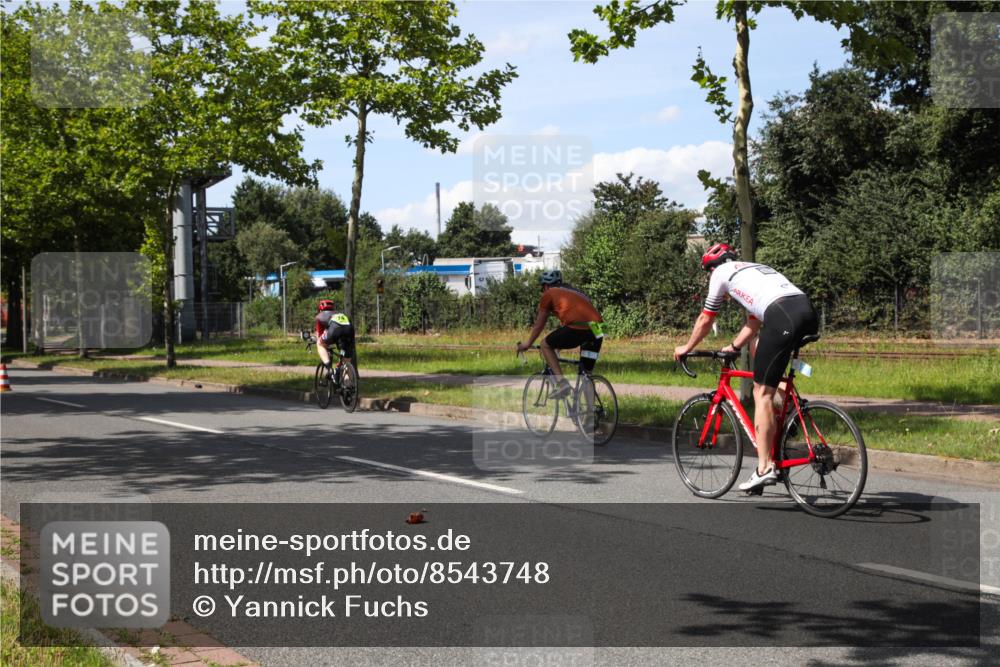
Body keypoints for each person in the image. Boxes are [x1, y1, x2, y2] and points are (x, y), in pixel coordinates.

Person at [673, 243, 818, 491]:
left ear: (713, 267)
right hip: (805, 311)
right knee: (760, 348)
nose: (710, 276)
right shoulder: (754, 270)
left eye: (708, 271)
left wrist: (686, 347)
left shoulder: (721, 274)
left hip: (782, 316)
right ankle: (792, 408)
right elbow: (754, 321)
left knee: (761, 394)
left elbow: (706, 318)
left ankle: (764, 468)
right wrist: (733, 346)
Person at [516, 269, 604, 399]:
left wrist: (528, 344)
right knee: (586, 375)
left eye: (542, 288)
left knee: (545, 344)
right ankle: (591, 415)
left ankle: (562, 383)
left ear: (545, 286)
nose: (543, 291)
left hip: (580, 327)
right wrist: (559, 345)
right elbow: (576, 319)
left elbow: (539, 324)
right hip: (599, 328)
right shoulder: (576, 292)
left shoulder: (549, 293)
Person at [314, 299, 355, 382]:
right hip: (349, 330)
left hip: (335, 329)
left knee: (319, 343)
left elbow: (320, 335)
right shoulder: (340, 314)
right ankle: (348, 386)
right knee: (346, 362)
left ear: (320, 309)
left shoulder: (320, 316)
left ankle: (328, 367)